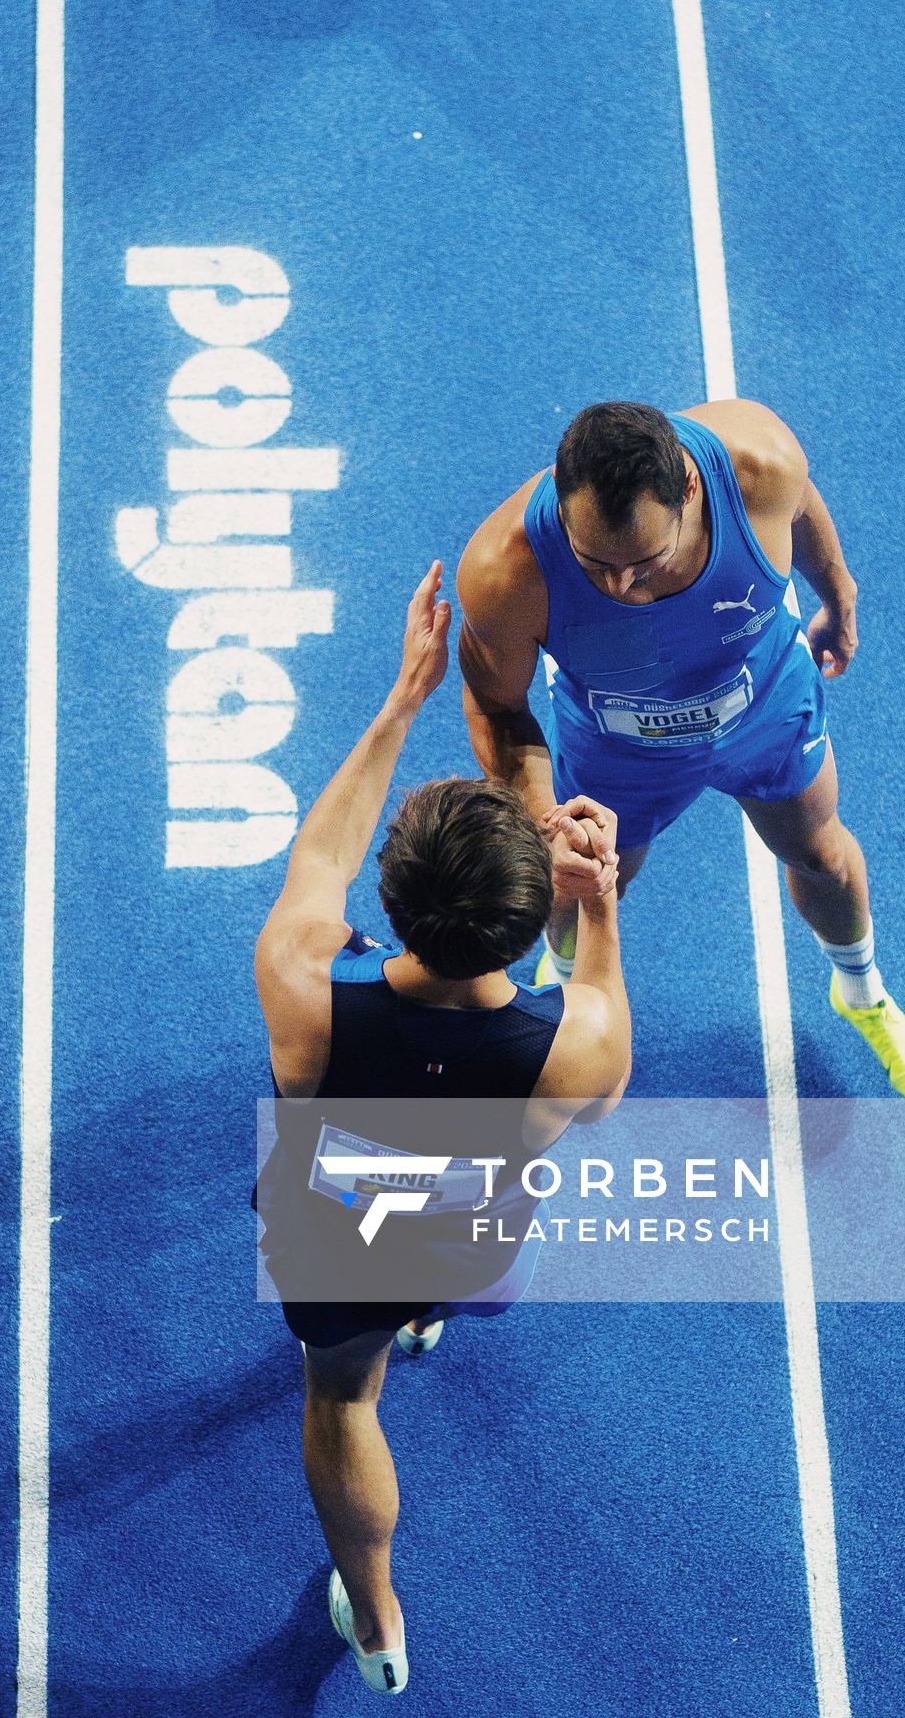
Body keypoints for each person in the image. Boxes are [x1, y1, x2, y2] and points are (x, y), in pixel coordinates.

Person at [254, 562, 631, 1696]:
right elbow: (598, 1006)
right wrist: (597, 899)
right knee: (438, 1272)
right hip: (466, 1240)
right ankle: (425, 1313)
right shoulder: (568, 1049)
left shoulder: (307, 983)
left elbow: (313, 858)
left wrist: (403, 697)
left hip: (332, 1235)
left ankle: (374, 1622)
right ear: (523, 924)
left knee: (342, 1397)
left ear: (397, 899)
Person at [455, 399, 905, 1105]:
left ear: (690, 488)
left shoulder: (760, 467)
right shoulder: (506, 571)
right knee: (586, 882)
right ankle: (558, 1002)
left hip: (764, 704)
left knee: (820, 855)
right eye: (593, 564)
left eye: (643, 562)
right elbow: (496, 709)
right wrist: (549, 824)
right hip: (617, 751)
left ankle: (862, 992)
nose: (619, 587)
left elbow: (803, 509)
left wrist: (839, 594)